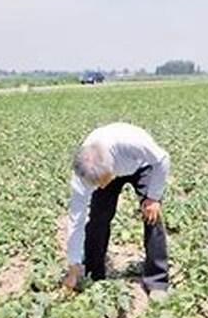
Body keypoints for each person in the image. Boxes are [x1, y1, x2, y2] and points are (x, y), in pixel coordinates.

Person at [63, 122, 171, 299]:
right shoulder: (83, 175)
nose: (102, 186)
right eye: (99, 184)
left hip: (142, 165)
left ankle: (157, 281)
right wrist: (73, 266)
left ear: (111, 166)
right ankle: (93, 275)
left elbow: (162, 159)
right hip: (105, 169)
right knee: (97, 219)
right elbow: (76, 221)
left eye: (104, 181)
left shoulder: (131, 143)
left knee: (152, 216)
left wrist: (153, 198)